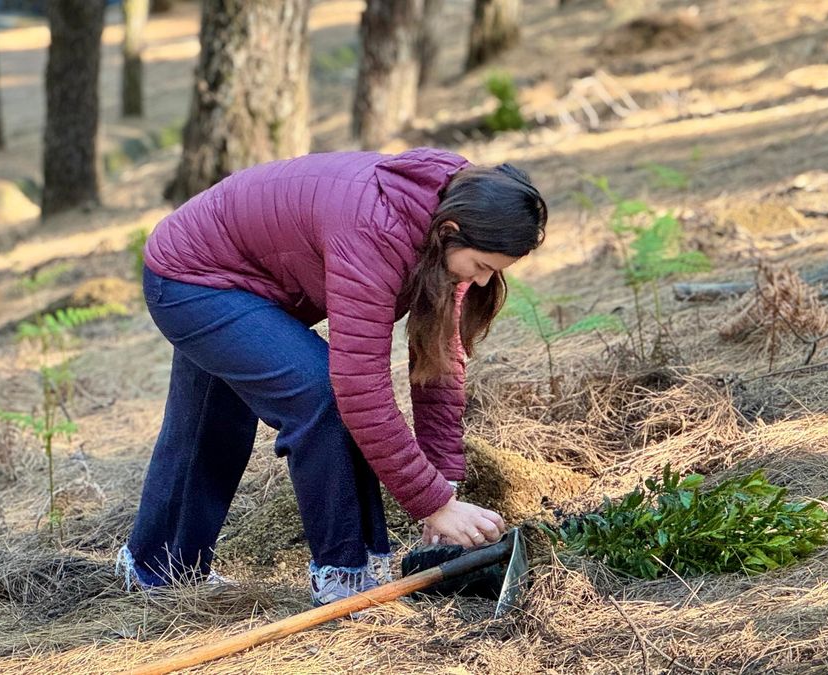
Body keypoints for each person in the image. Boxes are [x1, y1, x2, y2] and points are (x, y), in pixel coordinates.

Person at [116, 147, 548, 606]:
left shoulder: (451, 213)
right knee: (321, 393)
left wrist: (446, 485)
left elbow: (438, 366)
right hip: (192, 277)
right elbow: (359, 389)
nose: (482, 282)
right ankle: (347, 575)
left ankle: (158, 568)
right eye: (481, 267)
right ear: (450, 231)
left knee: (212, 423)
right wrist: (433, 503)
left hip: (243, 275)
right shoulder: (377, 229)